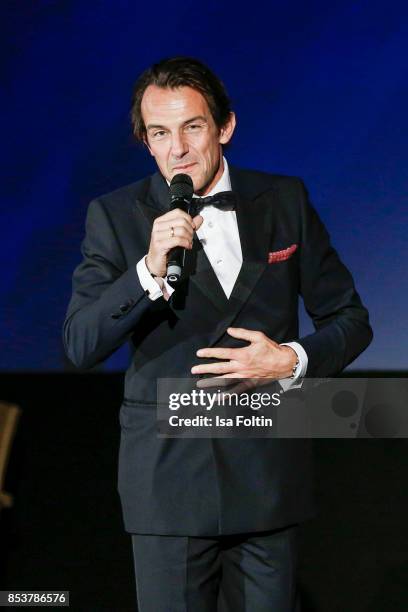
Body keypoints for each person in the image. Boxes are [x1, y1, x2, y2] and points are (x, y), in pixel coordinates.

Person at [63, 56, 373, 611]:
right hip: (169, 485)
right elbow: (81, 344)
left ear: (225, 127)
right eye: (160, 133)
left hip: (268, 479)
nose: (177, 149)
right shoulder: (113, 216)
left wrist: (291, 361)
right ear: (146, 142)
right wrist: (147, 271)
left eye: (192, 127)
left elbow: (351, 319)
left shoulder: (284, 200)